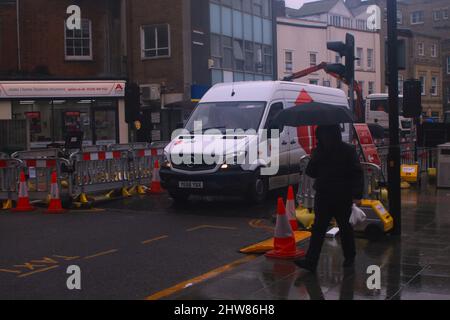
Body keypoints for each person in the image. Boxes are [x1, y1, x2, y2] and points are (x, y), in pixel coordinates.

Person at [295, 125, 364, 273]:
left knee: (323, 229)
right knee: (341, 228)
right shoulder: (347, 150)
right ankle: (348, 258)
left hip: (329, 195)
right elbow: (357, 173)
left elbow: (311, 172)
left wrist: (316, 155)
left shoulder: (323, 151)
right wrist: (357, 194)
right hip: (337, 195)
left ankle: (312, 261)